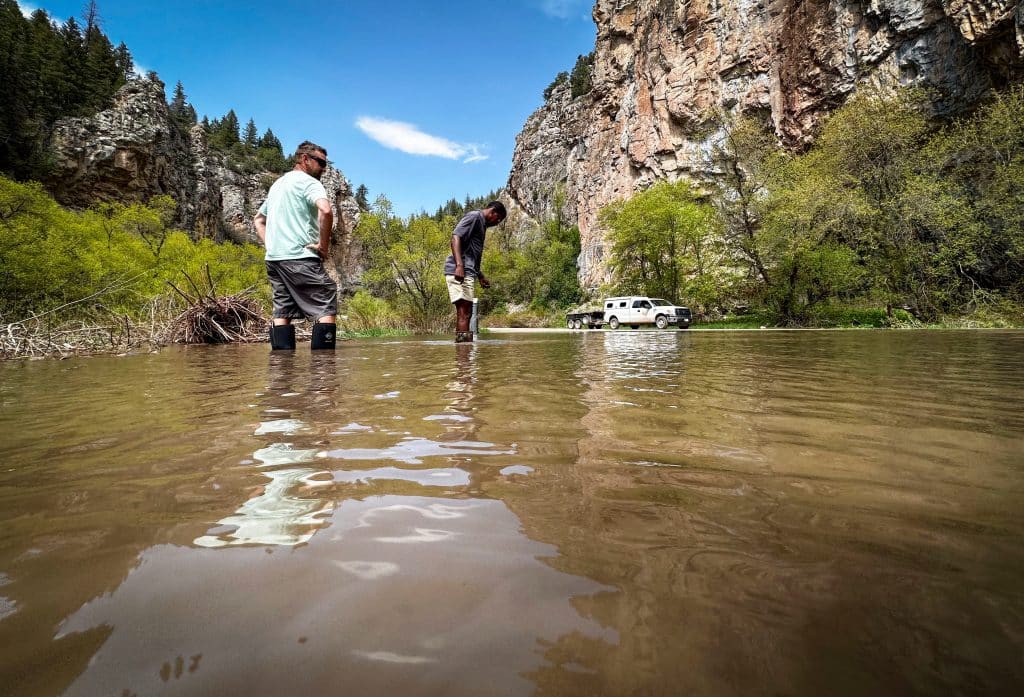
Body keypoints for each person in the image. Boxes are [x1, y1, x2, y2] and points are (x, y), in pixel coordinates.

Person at [254, 141, 337, 351]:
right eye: (320, 162)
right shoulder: (308, 182)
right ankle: (323, 376)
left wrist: (271, 245)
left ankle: (281, 374)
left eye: (326, 164)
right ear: (304, 159)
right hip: (301, 257)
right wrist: (323, 246)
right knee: (325, 301)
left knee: (282, 313)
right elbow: (326, 211)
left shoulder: (277, 185)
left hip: (274, 261)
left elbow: (258, 220)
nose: (324, 168)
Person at [444, 201, 507, 342]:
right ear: (493, 212)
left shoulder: (481, 224)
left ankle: (464, 351)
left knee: (466, 312)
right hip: (460, 270)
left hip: (468, 271)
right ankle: (463, 357)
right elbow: (455, 237)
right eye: (498, 219)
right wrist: (459, 265)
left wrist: (480, 275)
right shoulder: (474, 217)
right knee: (464, 312)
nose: (497, 222)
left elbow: (473, 254)